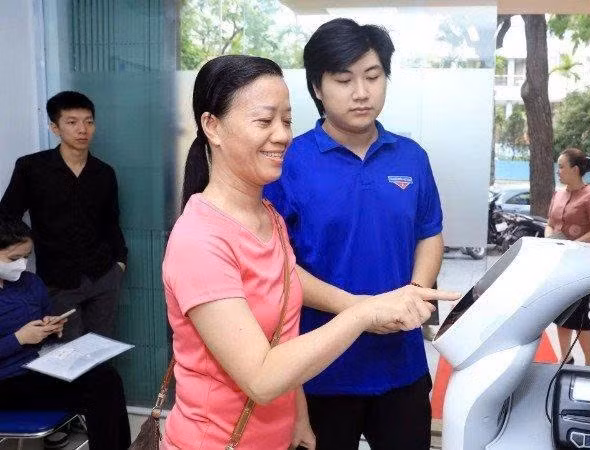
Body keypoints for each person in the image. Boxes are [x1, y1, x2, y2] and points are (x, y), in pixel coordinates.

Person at [163, 54, 456, 450]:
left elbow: (284, 328)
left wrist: (298, 417)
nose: (282, 135)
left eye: (286, 120)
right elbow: (262, 377)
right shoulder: (200, 239)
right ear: (212, 126)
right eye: (264, 121)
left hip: (280, 432)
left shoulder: (268, 217)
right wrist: (364, 310)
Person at [263, 18, 445, 450]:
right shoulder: (287, 162)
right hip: (319, 371)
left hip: (401, 367)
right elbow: (276, 265)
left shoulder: (412, 157)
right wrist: (363, 312)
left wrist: (415, 293)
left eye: (373, 76)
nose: (361, 92)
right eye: (343, 79)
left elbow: (429, 232)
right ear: (317, 88)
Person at [0, 91, 128, 341]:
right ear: (54, 127)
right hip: (57, 281)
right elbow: (7, 217)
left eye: (88, 122)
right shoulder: (31, 168)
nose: (82, 129)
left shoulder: (104, 172)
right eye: (72, 122)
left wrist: (120, 262)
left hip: (103, 275)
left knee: (102, 350)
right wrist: (10, 262)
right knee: (67, 355)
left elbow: (111, 222)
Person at [0, 216, 130, 449]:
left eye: (26, 258)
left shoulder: (30, 283)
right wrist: (19, 338)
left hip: (36, 367)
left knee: (107, 377)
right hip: (6, 381)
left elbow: (41, 323)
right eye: (14, 258)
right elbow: (21, 337)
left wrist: (50, 328)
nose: (21, 265)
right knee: (97, 389)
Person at [546, 148, 590, 366]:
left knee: (580, 316)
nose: (558, 171)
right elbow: (550, 224)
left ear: (575, 169)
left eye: (561, 166)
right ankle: (566, 358)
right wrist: (550, 240)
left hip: (579, 264)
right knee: (561, 313)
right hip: (558, 263)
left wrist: (571, 245)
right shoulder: (558, 194)